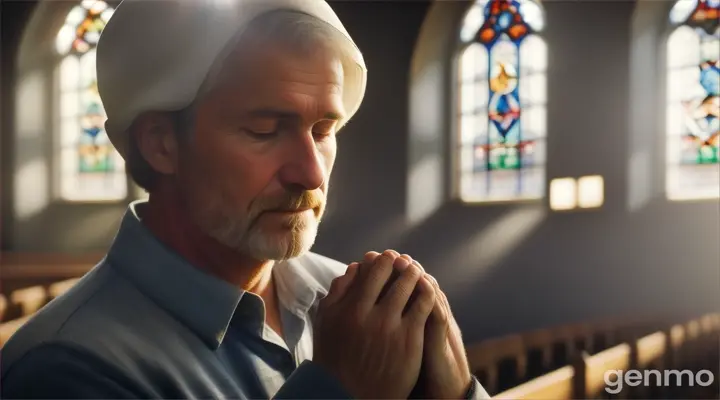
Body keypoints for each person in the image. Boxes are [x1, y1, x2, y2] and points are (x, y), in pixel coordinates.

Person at [0, 0, 490, 398]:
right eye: (265, 130)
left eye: (324, 130)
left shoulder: (353, 300)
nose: (311, 172)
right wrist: (336, 391)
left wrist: (460, 395)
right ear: (161, 144)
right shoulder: (66, 368)